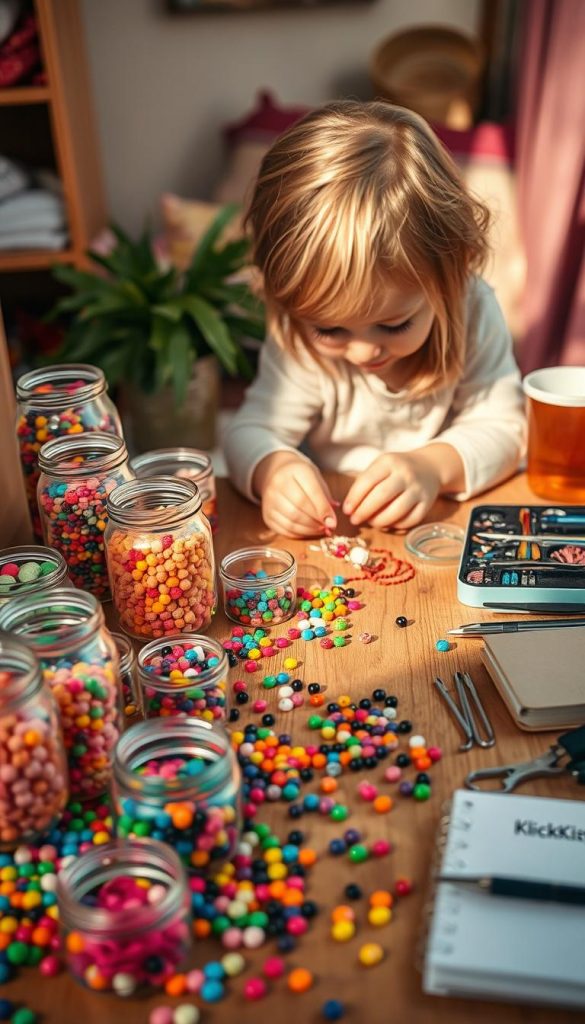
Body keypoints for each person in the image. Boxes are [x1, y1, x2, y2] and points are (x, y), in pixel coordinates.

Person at [223, 100, 526, 538]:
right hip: (337, 520)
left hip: (449, 526)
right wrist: (273, 468)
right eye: (329, 329)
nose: (365, 350)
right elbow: (248, 431)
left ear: (451, 277)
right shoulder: (297, 335)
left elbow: (507, 428)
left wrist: (432, 466)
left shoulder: (473, 308)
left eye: (394, 324)